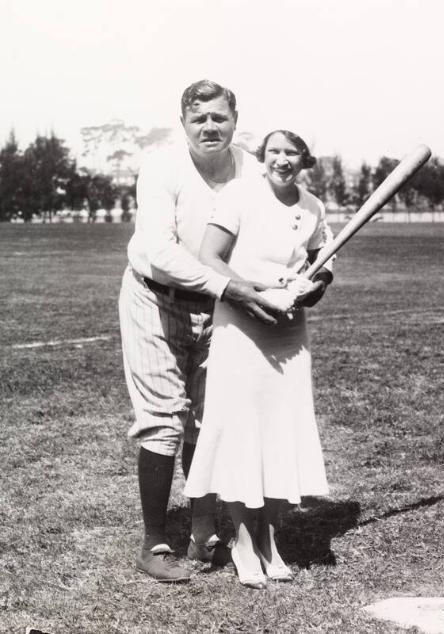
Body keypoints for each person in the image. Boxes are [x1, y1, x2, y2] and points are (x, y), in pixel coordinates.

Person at [118, 79, 277, 583]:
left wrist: (305, 272)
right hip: (154, 298)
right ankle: (154, 542)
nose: (210, 126)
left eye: (219, 117)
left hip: (218, 304)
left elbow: (278, 226)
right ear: (184, 123)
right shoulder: (163, 168)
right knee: (164, 419)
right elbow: (162, 255)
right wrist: (229, 288)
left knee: (211, 420)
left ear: (235, 118)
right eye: (199, 118)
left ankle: (203, 529)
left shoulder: (253, 169)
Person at [184, 128, 335, 589]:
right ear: (262, 157)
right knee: (242, 433)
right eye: (274, 152)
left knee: (278, 432)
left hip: (288, 334)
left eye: (291, 152)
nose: (282, 160)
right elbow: (208, 256)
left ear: (303, 159)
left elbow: (322, 261)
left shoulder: (312, 206)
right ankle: (243, 541)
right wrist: (253, 292)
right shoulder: (239, 195)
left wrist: (316, 286)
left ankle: (270, 539)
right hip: (241, 324)